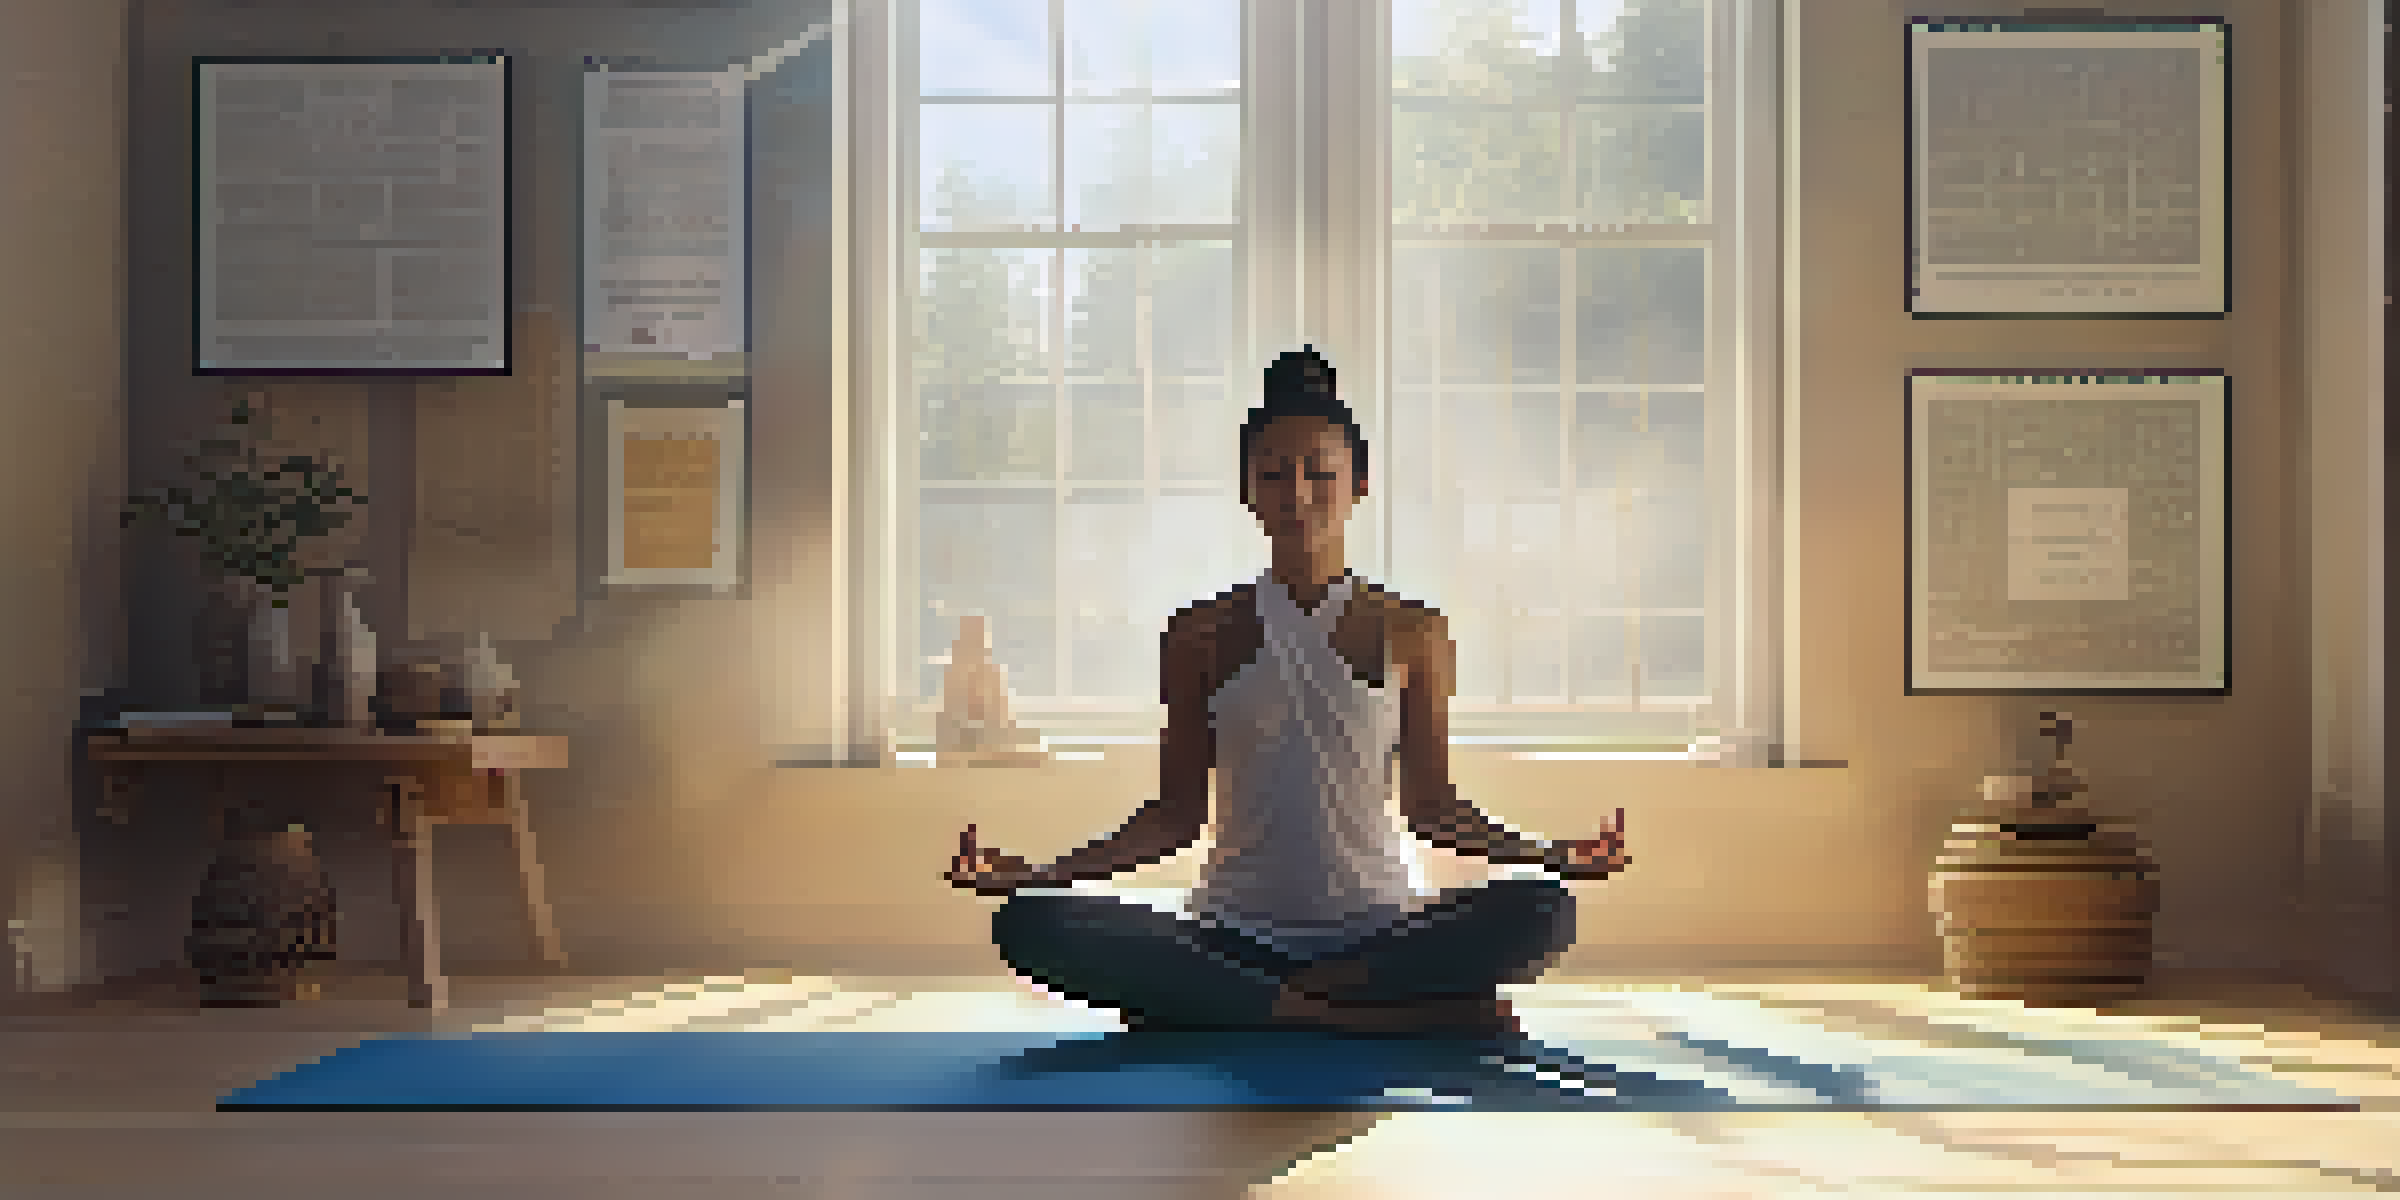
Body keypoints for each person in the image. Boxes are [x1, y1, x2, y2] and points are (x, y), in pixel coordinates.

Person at [943, 346, 1631, 1039]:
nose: (1297, 495)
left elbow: (1433, 808)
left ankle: (1246, 1004)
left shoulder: (1413, 632)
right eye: (1272, 475)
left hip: (1382, 935)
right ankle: (1353, 1015)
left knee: (1543, 908)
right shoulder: (1197, 635)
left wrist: (1550, 855)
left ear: (1359, 483)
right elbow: (1174, 816)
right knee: (1030, 923)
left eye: (1319, 474)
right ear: (1247, 490)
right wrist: (1043, 872)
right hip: (1232, 934)